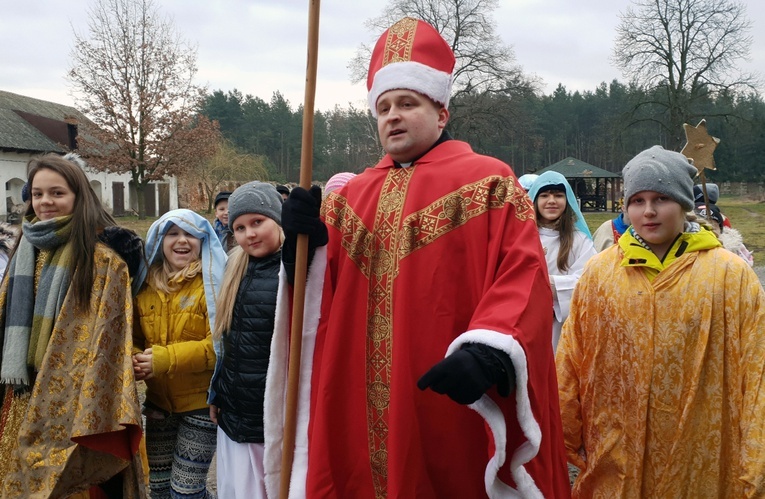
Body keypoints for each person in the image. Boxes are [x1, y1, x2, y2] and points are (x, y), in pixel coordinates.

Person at [266, 17, 570, 498]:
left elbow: (524, 274)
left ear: (442, 112)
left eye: (408, 103)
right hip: (360, 404)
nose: (393, 116)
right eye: (383, 107)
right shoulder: (349, 200)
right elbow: (323, 304)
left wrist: (490, 352)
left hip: (451, 397)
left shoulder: (489, 182)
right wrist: (303, 250)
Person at [556, 145, 765, 497]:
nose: (648, 212)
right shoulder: (600, 273)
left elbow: (755, 366)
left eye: (661, 199)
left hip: (702, 452)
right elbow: (571, 357)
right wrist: (565, 428)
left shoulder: (728, 275)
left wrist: (754, 454)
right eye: (637, 200)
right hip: (616, 449)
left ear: (683, 203)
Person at [0, 153, 146, 497]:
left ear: (79, 196)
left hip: (72, 397)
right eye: (38, 194)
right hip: (19, 393)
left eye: (57, 193)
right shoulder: (24, 248)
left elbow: (110, 337)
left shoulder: (103, 259)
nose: (46, 202)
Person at [132, 209, 226, 499]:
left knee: (186, 492)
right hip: (159, 406)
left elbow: (220, 346)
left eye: (190, 234)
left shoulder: (213, 284)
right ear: (160, 240)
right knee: (159, 491)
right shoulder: (144, 287)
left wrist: (164, 359)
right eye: (173, 233)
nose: (181, 240)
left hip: (201, 405)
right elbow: (133, 336)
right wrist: (135, 358)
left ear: (202, 241)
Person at [207, 182, 284, 498]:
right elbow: (227, 342)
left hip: (271, 415)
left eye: (257, 222)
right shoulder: (234, 268)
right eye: (239, 227)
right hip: (234, 410)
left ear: (278, 220)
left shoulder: (293, 267)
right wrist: (217, 392)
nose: (249, 233)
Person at [528, 171, 596, 350]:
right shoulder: (522, 237)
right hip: (527, 319)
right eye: (544, 195)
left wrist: (550, 284)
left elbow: (590, 280)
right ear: (534, 200)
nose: (551, 200)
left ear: (567, 201)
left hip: (562, 324)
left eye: (558, 195)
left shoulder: (579, 240)